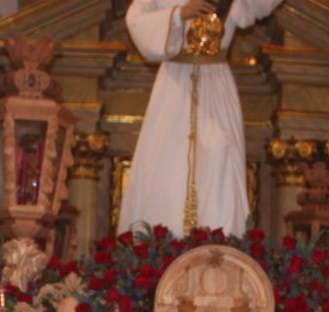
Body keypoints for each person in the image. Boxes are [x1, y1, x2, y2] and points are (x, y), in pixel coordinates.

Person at [118, 0, 280, 236]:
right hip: (173, 86)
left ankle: (219, 254)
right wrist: (179, 14)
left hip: (215, 84)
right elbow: (136, 18)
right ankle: (159, 254)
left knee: (220, 164)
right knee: (166, 169)